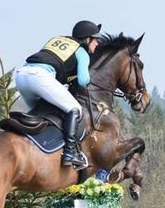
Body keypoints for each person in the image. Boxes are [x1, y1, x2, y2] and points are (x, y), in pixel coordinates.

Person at [15, 20, 102, 169]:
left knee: (37, 114)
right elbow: (83, 80)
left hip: (21, 76)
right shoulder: (81, 51)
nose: (97, 44)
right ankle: (70, 153)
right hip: (39, 77)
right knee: (75, 109)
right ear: (87, 39)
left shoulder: (57, 40)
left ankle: (32, 147)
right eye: (96, 40)